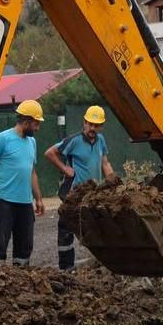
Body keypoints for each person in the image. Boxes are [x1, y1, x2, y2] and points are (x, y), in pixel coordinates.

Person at [44, 105, 115, 270]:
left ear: (101, 126)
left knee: (97, 228)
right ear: (84, 122)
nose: (92, 128)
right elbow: (50, 152)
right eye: (90, 124)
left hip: (93, 194)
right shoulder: (74, 140)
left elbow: (105, 163)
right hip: (74, 194)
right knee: (66, 229)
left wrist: (112, 182)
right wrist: (65, 169)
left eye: (96, 125)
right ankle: (66, 268)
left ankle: (103, 264)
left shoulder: (101, 140)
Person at [0, 100, 46, 266]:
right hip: (3, 202)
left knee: (25, 247)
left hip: (25, 203)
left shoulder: (32, 142)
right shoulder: (2, 138)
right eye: (36, 124)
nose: (38, 129)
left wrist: (38, 199)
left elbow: (31, 171)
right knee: (0, 246)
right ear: (26, 122)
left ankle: (21, 280)